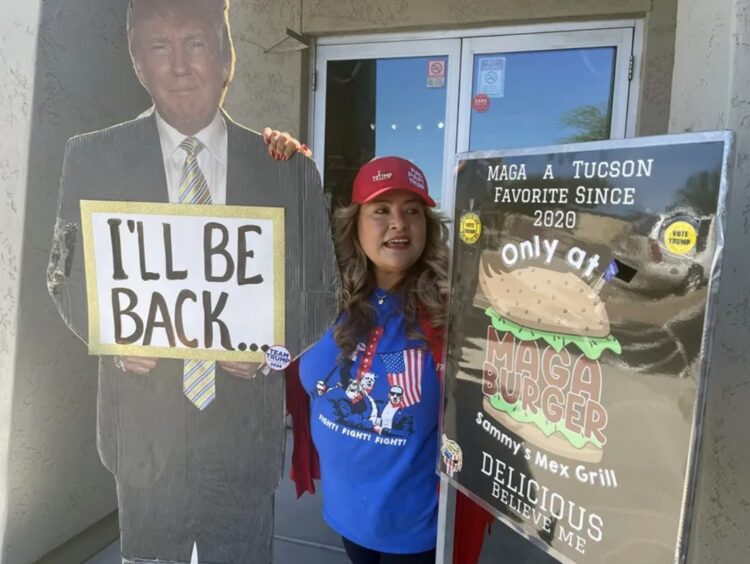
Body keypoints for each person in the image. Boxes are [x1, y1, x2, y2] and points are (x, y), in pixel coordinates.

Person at [47, 0, 335, 562]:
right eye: (160, 46)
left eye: (196, 43)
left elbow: (322, 292)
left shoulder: (286, 167)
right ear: (138, 62)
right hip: (142, 439)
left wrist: (272, 354)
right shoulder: (91, 158)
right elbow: (63, 279)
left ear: (226, 58)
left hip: (243, 443)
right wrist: (110, 341)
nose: (180, 65)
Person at [294, 156, 448, 562]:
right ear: (355, 224)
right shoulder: (322, 298)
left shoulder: (451, 312)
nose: (399, 222)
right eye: (381, 210)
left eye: (412, 211)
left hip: (415, 527)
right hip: (346, 512)